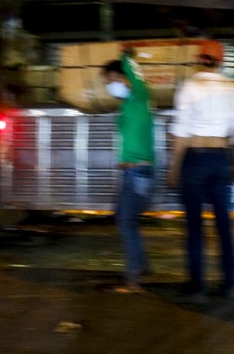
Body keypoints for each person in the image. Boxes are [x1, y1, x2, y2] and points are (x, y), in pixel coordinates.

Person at [168, 41, 234, 303]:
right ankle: (229, 283)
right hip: (222, 158)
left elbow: (180, 133)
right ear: (220, 62)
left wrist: (174, 168)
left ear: (199, 59)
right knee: (224, 224)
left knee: (194, 226)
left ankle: (197, 286)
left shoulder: (190, 86)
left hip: (196, 159)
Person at [102, 49, 155, 294]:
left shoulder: (139, 95)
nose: (109, 85)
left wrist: (126, 55)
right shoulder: (128, 104)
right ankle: (141, 267)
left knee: (125, 221)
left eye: (111, 80)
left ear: (123, 78)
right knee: (126, 219)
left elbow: (134, 74)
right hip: (131, 172)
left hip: (138, 172)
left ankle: (134, 278)